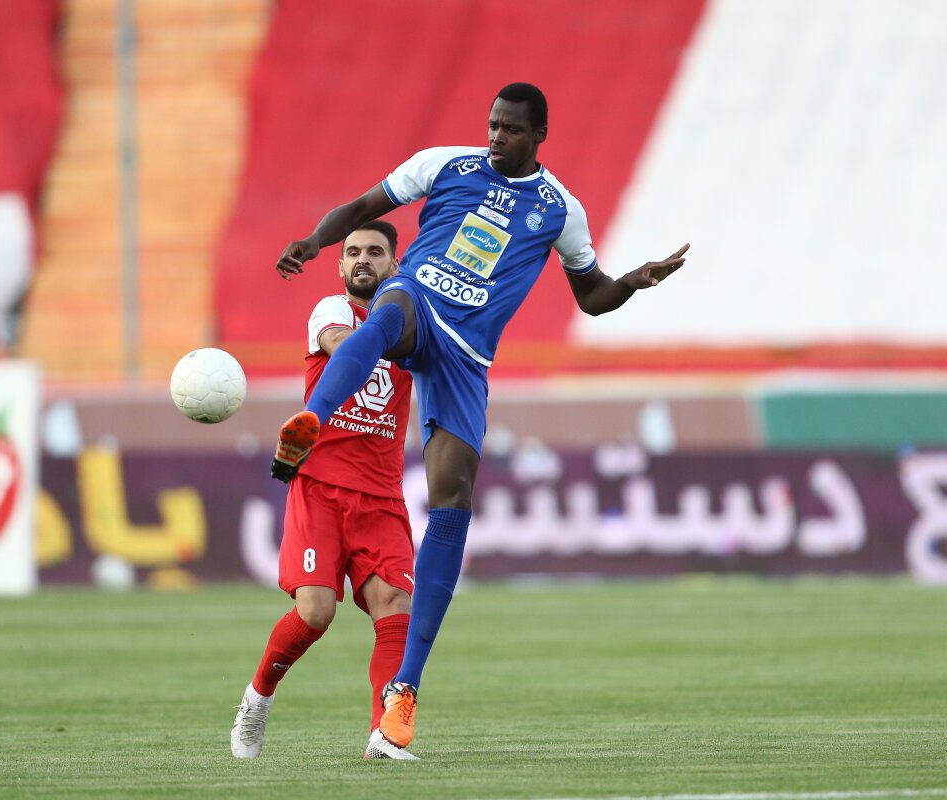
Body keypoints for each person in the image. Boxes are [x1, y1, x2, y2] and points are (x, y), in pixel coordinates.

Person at [269, 82, 689, 752]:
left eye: (511, 129)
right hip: (419, 299)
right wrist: (317, 240)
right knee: (388, 314)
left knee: (454, 498)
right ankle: (312, 420)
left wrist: (632, 283)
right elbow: (363, 207)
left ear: (539, 135)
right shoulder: (443, 164)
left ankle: (404, 694)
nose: (496, 137)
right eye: (492, 124)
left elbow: (591, 296)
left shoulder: (560, 209)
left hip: (466, 355)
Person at [232, 220, 420, 761]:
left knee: (395, 606)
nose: (362, 259)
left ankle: (382, 737)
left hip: (381, 494)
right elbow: (344, 347)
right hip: (320, 487)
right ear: (339, 266)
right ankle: (258, 697)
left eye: (375, 252)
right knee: (315, 612)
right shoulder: (332, 311)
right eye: (353, 252)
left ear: (394, 263)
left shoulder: (414, 322)